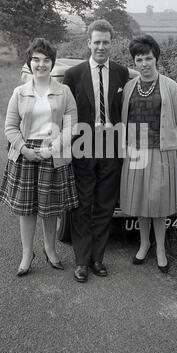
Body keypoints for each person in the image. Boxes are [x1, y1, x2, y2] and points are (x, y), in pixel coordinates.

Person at [0, 37, 78, 276]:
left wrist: (51, 148)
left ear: (52, 64)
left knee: (51, 209)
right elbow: (10, 127)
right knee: (27, 209)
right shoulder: (19, 92)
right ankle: (26, 254)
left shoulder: (64, 92)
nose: (41, 64)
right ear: (29, 63)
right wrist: (24, 149)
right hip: (26, 154)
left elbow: (72, 126)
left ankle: (50, 250)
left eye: (46, 60)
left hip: (54, 152)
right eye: (36, 60)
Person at [64, 19, 129, 282]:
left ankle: (97, 259)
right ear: (88, 43)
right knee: (82, 205)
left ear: (111, 44)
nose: (101, 47)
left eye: (105, 42)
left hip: (111, 145)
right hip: (83, 144)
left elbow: (123, 111)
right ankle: (81, 262)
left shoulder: (122, 73)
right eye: (96, 42)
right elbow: (66, 116)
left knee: (104, 205)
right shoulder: (74, 75)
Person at [120, 35, 177, 273]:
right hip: (135, 153)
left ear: (156, 58)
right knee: (140, 201)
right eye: (139, 59)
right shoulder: (129, 87)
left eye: (149, 58)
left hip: (161, 153)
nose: (144, 63)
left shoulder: (170, 86)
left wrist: (166, 144)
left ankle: (160, 248)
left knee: (157, 202)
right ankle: (144, 243)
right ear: (134, 62)